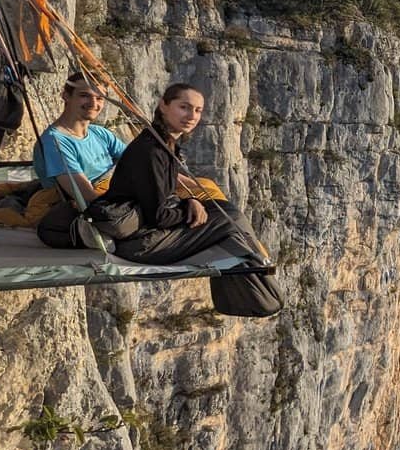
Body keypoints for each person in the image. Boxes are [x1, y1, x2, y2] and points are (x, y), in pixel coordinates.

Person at [96, 84, 283, 317]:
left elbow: (162, 196)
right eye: (184, 107)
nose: (191, 116)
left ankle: (253, 292)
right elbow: (160, 216)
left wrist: (192, 201)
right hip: (140, 244)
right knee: (230, 219)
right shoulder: (152, 151)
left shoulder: (163, 144)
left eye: (197, 110)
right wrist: (188, 207)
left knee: (223, 211)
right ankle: (259, 291)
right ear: (163, 105)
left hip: (144, 233)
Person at [33, 72, 128, 207]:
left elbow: (135, 159)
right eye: (84, 95)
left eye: (99, 98)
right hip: (94, 207)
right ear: (66, 96)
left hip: (112, 192)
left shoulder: (100, 133)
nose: (93, 103)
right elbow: (86, 195)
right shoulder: (55, 142)